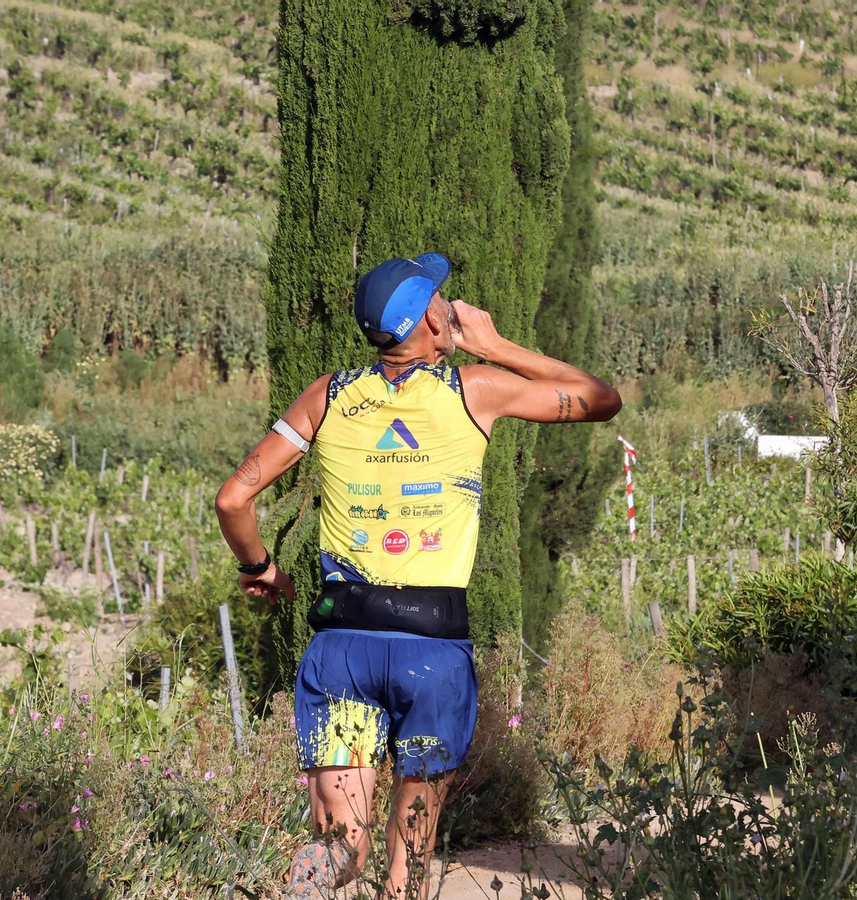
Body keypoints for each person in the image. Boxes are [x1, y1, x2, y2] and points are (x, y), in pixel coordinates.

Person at [215, 252, 621, 898]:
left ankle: (305, 882)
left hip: (344, 648)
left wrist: (260, 566)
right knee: (406, 875)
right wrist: (494, 344)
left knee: (341, 846)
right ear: (433, 316)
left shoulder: (328, 396)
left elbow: (233, 498)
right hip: (432, 656)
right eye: (442, 297)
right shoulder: (474, 389)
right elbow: (603, 399)